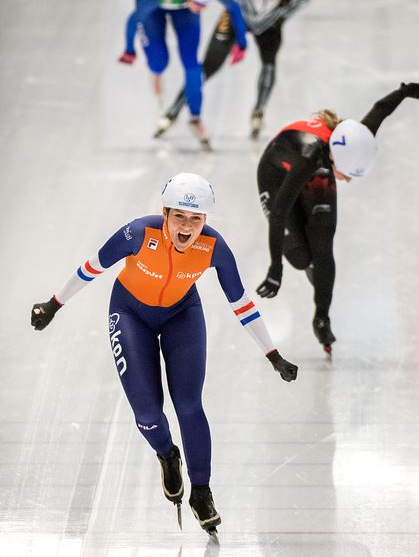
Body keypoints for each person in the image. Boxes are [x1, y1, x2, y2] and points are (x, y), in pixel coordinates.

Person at [30, 172, 298, 539]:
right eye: (180, 218)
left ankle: (201, 492)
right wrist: (53, 304)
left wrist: (273, 354)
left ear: (205, 221)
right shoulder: (138, 233)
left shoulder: (215, 247)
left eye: (196, 219)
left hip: (181, 314)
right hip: (130, 313)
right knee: (148, 413)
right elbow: (92, 266)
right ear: (165, 214)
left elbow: (240, 302)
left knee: (188, 404)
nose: (187, 227)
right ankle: (166, 453)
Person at [254, 79, 419, 352]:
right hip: (277, 175)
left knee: (323, 247)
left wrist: (407, 91)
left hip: (318, 169)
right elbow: (279, 213)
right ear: (335, 159)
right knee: (301, 257)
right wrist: (275, 269)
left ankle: (321, 317)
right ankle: (309, 268)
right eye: (346, 173)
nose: (346, 180)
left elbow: (380, 109)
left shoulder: (354, 139)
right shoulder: (308, 158)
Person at [155, 0, 310, 142]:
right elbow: (252, 21)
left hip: (269, 24)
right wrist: (279, 12)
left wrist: (280, 18)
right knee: (208, 67)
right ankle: (172, 112)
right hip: (236, 21)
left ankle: (258, 112)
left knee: (269, 64)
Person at [118, 0, 249, 150]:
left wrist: (242, 43)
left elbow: (234, 8)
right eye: (200, 4)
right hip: (156, 0)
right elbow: (134, 18)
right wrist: (129, 49)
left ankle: (195, 118)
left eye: (207, 4)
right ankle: (156, 69)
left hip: (183, 6)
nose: (203, 9)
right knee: (159, 62)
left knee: (192, 65)